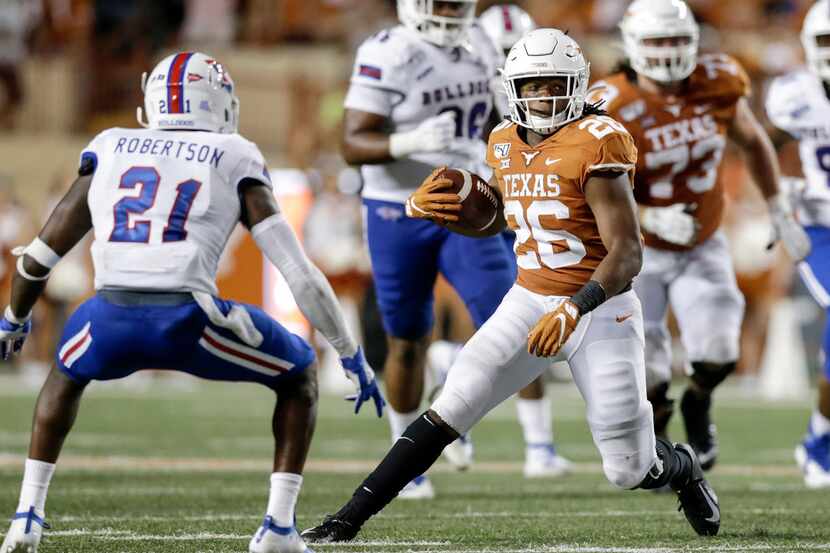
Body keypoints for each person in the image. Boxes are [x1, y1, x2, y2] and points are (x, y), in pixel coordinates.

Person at [301, 28, 721, 544]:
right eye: (533, 85)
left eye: (554, 84)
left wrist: (576, 306)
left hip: (601, 306)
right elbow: (502, 216)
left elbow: (628, 252)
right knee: (452, 404)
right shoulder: (502, 141)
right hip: (528, 300)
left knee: (628, 469)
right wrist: (446, 210)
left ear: (578, 84)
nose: (544, 96)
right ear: (512, 87)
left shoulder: (598, 138)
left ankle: (681, 466)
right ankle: (346, 521)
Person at [0, 51, 385, 553]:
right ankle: (278, 528)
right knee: (300, 374)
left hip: (107, 316)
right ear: (217, 102)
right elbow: (299, 274)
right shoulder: (233, 153)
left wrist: (13, 317)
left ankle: (27, 513)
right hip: (187, 318)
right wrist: (350, 352)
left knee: (65, 374)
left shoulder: (111, 146)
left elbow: (38, 258)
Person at [343, 0, 566, 492]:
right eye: (440, 2)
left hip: (468, 200)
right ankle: (406, 462)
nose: (449, 10)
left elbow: (496, 120)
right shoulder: (387, 50)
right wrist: (407, 142)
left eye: (456, 2)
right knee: (405, 338)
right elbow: (352, 142)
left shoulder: (480, 42)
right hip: (397, 206)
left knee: (517, 322)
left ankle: (524, 435)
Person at [587, 0, 810, 470]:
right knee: (644, 371)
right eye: (656, 42)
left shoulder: (718, 80)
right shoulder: (609, 104)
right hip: (634, 251)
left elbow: (753, 141)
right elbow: (585, 188)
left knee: (718, 354)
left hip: (701, 241)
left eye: (675, 40)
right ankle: (665, 448)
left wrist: (777, 206)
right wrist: (645, 216)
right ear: (631, 46)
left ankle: (699, 401)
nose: (667, 52)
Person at [766, 0, 830, 489]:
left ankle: (819, 434)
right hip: (819, 224)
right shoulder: (793, 94)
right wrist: (776, 194)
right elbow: (758, 144)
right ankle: (820, 440)